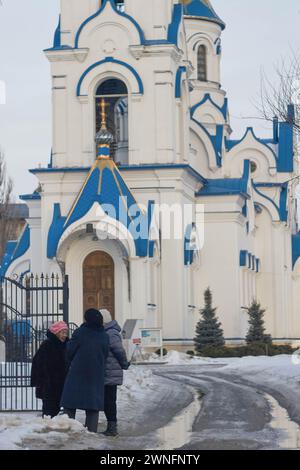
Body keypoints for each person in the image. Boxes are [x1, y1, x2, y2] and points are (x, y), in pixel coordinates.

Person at [60, 308, 109, 433]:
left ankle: (69, 430)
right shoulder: (104, 336)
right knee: (92, 407)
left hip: (78, 373)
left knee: (70, 404)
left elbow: (69, 351)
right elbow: (105, 354)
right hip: (96, 375)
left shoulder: (80, 332)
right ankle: (91, 433)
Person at [100, 309, 130, 437]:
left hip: (110, 372)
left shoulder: (111, 333)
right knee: (107, 400)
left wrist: (124, 364)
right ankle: (111, 426)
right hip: (107, 371)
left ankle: (112, 427)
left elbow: (119, 351)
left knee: (109, 401)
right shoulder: (106, 332)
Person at [30, 320, 69, 418]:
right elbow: (38, 364)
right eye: (62, 332)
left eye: (66, 333)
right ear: (56, 332)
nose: (64, 335)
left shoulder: (67, 344)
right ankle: (47, 428)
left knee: (57, 408)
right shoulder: (47, 345)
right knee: (49, 410)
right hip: (49, 383)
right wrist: (42, 381)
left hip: (62, 382)